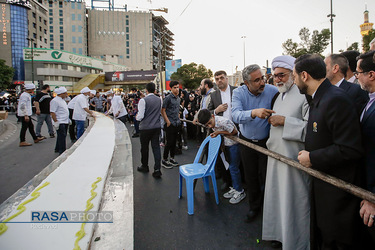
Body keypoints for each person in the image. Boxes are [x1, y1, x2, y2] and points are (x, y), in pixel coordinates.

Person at [295, 54, 363, 249]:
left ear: (305, 75)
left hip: (338, 194)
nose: (294, 80)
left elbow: (350, 148)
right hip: (324, 186)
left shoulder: (335, 100)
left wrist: (312, 157)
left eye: (295, 75)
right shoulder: (318, 98)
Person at [262, 56, 310, 250]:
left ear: (294, 74)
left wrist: (284, 121)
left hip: (293, 160)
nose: (278, 80)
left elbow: (311, 129)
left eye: (282, 75)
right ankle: (279, 235)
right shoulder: (279, 96)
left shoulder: (305, 95)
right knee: (277, 199)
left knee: (293, 203)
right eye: (275, 76)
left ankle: (295, 243)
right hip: (276, 157)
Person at [232, 64, 278, 221]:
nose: (262, 83)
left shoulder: (272, 91)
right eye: (257, 80)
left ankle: (270, 213)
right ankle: (254, 207)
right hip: (246, 143)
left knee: (268, 178)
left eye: (263, 78)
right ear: (247, 83)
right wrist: (253, 113)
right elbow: (235, 115)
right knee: (251, 177)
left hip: (266, 143)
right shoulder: (238, 93)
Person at [198, 109, 246, 204]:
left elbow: (234, 132)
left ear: (212, 116)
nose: (210, 126)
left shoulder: (223, 121)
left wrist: (219, 133)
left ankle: (240, 191)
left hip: (234, 144)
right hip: (226, 145)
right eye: (207, 125)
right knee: (229, 167)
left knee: (233, 168)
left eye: (210, 123)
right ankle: (235, 187)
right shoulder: (212, 122)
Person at [355, 50, 375, 245]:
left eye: (358, 72)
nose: (356, 76)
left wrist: (372, 197)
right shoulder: (370, 100)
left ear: (371, 74)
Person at [208, 70, 237, 191]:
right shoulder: (213, 95)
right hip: (221, 134)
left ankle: (239, 185)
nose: (219, 80)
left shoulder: (236, 91)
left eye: (222, 78)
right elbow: (207, 113)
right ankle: (227, 181)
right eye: (217, 78)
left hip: (236, 132)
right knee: (223, 159)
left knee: (236, 160)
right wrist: (216, 110)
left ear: (226, 78)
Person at [136, 82, 163, 178]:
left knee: (144, 148)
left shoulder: (143, 100)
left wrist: (136, 117)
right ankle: (157, 169)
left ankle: (145, 166)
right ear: (154, 89)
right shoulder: (159, 99)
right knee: (156, 147)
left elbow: (140, 116)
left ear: (146, 90)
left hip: (145, 128)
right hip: (156, 127)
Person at [161, 81, 181, 169]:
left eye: (178, 87)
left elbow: (177, 110)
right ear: (171, 88)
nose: (177, 89)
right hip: (170, 123)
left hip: (176, 123)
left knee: (174, 142)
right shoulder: (168, 98)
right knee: (169, 142)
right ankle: (164, 160)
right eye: (175, 87)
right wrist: (167, 121)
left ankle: (172, 158)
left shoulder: (178, 98)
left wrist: (178, 117)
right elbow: (163, 110)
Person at [50, 87, 69, 154]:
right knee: (62, 136)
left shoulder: (62, 100)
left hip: (65, 120)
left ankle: (57, 148)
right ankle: (62, 151)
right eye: (65, 93)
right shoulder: (55, 101)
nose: (66, 95)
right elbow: (52, 112)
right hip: (60, 121)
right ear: (61, 94)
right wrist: (56, 122)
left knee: (61, 136)